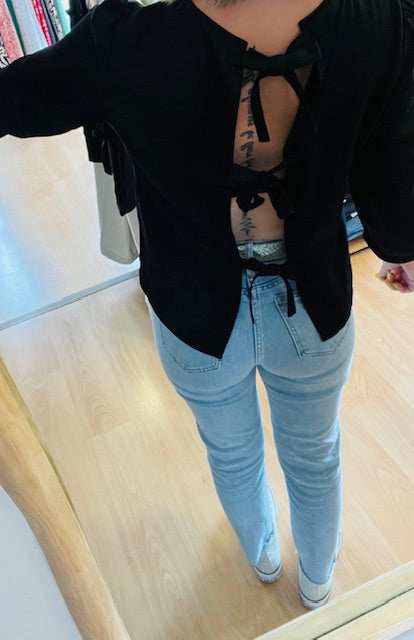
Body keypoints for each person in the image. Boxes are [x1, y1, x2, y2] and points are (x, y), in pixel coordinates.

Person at [1, 0, 414, 610]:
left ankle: (264, 559)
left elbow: (12, 101)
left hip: (193, 310)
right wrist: (400, 247)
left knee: (231, 454)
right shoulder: (381, 17)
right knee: (316, 455)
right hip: (314, 303)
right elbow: (395, 182)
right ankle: (318, 586)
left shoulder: (125, 37)